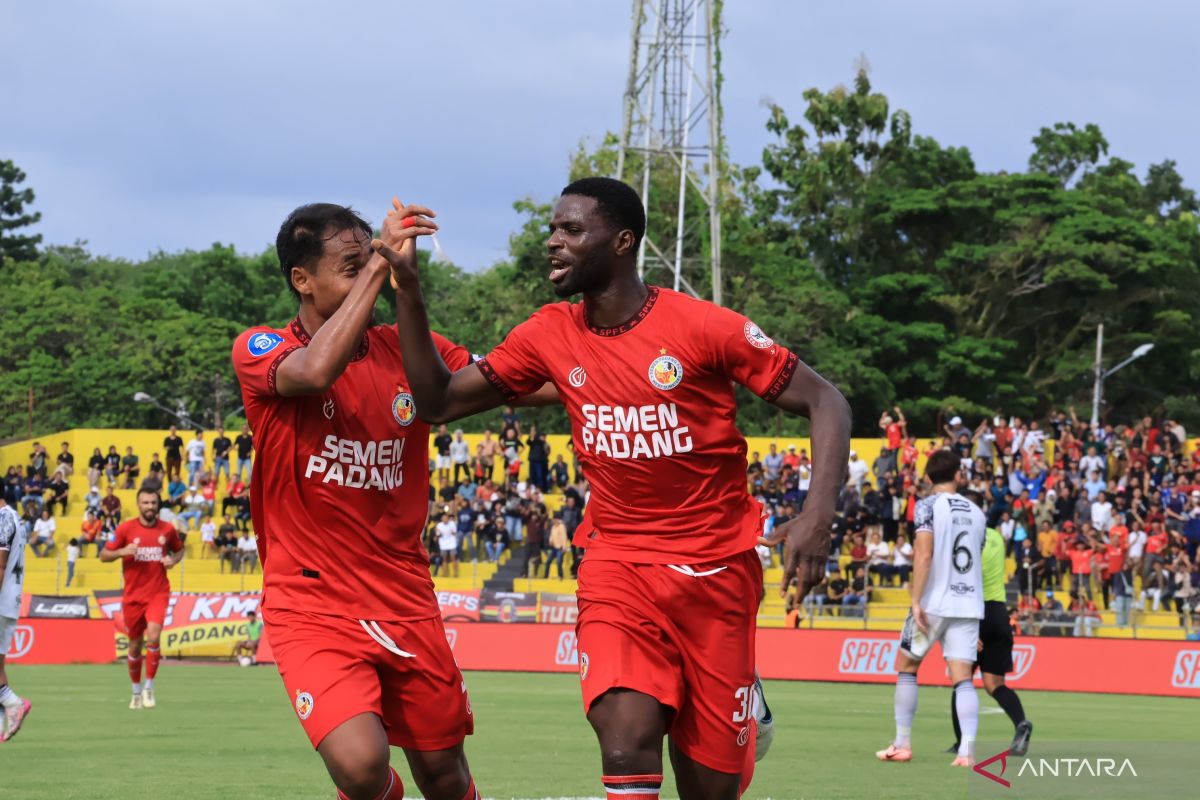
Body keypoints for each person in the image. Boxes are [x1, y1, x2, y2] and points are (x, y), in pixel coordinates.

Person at [385, 177, 852, 798]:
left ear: (623, 242)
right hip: (618, 563)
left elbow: (826, 400)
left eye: (572, 230)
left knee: (709, 787)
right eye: (553, 229)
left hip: (717, 572)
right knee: (625, 735)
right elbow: (438, 400)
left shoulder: (703, 327)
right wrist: (409, 292)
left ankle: (741, 705)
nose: (553, 242)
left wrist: (818, 513)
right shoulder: (548, 335)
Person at [230, 200, 531, 800]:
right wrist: (380, 268)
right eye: (351, 264)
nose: (371, 268)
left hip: (404, 596)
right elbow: (315, 371)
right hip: (311, 599)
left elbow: (513, 381)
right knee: (362, 766)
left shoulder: (410, 349)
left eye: (374, 258)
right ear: (302, 279)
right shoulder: (261, 347)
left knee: (446, 775)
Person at [876, 450, 985, 768]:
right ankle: (967, 752)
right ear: (958, 474)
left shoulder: (927, 506)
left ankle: (902, 743)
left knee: (907, 666)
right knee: (963, 678)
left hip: (934, 601)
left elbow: (924, 555)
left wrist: (916, 601)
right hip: (969, 604)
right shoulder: (978, 513)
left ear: (927, 478)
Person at [946, 492, 1033, 758]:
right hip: (999, 612)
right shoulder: (995, 536)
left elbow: (965, 579)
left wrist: (966, 624)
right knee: (995, 684)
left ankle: (961, 742)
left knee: (961, 679)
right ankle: (1021, 723)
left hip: (976, 611)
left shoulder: (966, 538)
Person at [99, 487, 184, 710]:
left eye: (153, 503)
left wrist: (173, 561)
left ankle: (149, 687)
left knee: (154, 635)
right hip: (133, 596)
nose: (149, 507)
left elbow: (180, 550)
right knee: (135, 646)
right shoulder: (126, 529)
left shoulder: (167, 530)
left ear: (158, 505)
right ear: (138, 505)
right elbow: (104, 555)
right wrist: (122, 551)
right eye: (145, 503)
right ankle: (136, 691)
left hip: (158, 592)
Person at [0, 493, 33, 741]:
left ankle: (12, 701)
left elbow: (0, 565)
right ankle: (5, 716)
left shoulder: (2, 518)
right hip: (9, 601)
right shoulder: (14, 517)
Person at [435, 512, 459, 578]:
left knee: (453, 558)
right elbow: (438, 535)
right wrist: (439, 532)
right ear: (442, 519)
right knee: (444, 559)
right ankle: (445, 574)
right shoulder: (439, 525)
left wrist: (446, 531)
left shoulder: (452, 523)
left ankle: (455, 574)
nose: (445, 519)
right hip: (443, 544)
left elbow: (454, 533)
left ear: (448, 519)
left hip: (452, 543)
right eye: (443, 518)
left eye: (446, 518)